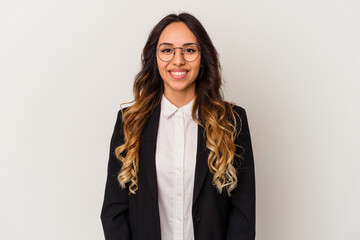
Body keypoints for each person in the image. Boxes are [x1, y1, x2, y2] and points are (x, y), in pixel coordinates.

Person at [101, 12, 256, 240]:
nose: (178, 60)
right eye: (167, 50)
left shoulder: (232, 121)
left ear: (203, 58)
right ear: (154, 58)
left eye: (189, 50)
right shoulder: (129, 121)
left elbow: (243, 214)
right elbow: (114, 211)